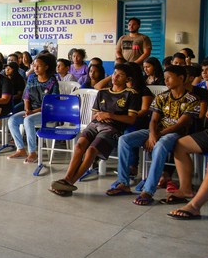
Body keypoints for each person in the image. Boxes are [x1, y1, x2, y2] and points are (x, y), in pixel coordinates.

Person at [108, 65, 199, 205]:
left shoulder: (192, 99)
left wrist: (157, 135)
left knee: (160, 144)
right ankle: (123, 183)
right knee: (124, 140)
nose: (166, 81)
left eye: (169, 77)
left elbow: (180, 124)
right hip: (156, 131)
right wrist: (152, 134)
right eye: (165, 77)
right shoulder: (161, 96)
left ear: (181, 78)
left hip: (176, 134)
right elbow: (154, 119)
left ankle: (148, 191)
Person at [49, 64, 142, 195]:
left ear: (127, 79)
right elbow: (94, 114)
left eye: (120, 75)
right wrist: (101, 116)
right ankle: (66, 178)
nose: (115, 77)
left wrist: (110, 115)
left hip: (113, 129)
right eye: (114, 73)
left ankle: (70, 182)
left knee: (91, 150)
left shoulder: (131, 94)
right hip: (95, 124)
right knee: (79, 146)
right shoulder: (103, 92)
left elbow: (131, 119)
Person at [7, 54, 59, 163]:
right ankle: (21, 149)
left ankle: (32, 152)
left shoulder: (52, 82)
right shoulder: (32, 79)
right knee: (12, 120)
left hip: (47, 112)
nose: (35, 68)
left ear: (46, 67)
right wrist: (27, 110)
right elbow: (26, 97)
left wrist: (32, 112)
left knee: (28, 120)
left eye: (38, 66)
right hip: (31, 111)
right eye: (34, 65)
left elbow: (51, 104)